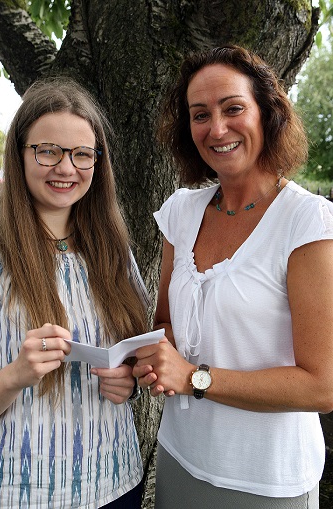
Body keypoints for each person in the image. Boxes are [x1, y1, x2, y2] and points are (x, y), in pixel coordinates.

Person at [133, 45, 333, 509]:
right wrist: (153, 359)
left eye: (233, 108)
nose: (217, 128)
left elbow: (322, 385)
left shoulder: (307, 222)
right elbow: (166, 321)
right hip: (180, 456)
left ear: (268, 112)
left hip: (266, 479)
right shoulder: (181, 212)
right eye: (199, 115)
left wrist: (194, 378)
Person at [0, 78, 149, 509]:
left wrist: (128, 381)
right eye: (48, 150)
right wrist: (15, 374)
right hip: (21, 492)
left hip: (117, 483)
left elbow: (136, 361)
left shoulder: (115, 254)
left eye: (81, 154)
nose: (66, 168)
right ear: (20, 156)